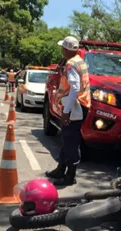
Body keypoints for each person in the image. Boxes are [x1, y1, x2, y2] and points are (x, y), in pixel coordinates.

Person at [45, 36, 91, 186]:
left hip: (75, 107)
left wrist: (66, 112)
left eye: (62, 48)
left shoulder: (70, 64)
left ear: (65, 50)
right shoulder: (80, 61)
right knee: (67, 138)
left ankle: (70, 176)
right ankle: (61, 168)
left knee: (71, 141)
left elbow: (75, 88)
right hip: (81, 105)